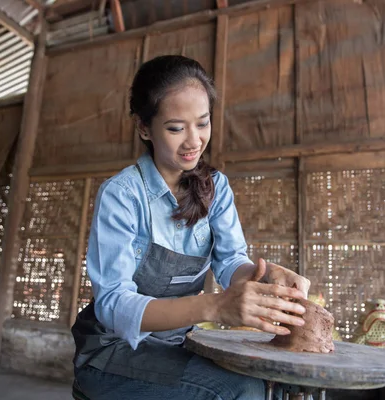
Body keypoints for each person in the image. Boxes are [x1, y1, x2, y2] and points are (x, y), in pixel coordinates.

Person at [71, 55, 311, 400]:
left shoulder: (216, 187)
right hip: (112, 351)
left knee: (266, 382)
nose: (194, 141)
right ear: (143, 128)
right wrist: (214, 306)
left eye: (203, 123)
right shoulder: (122, 195)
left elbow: (231, 264)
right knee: (239, 390)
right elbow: (113, 303)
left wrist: (267, 277)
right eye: (175, 128)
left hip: (177, 344)